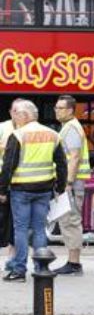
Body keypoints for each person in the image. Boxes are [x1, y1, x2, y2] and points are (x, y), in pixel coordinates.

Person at [0, 100, 67, 282]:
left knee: (20, 230)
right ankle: (41, 267)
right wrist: (60, 187)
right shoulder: (53, 135)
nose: (16, 118)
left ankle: (19, 270)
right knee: (39, 229)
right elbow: (61, 163)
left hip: (21, 189)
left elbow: (9, 165)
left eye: (18, 114)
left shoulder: (19, 135)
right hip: (44, 189)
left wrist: (2, 190)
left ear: (26, 115)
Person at [51, 95, 91, 276]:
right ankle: (72, 261)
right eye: (56, 107)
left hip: (72, 184)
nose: (56, 110)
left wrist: (67, 182)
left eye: (60, 108)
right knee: (67, 221)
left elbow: (74, 157)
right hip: (71, 183)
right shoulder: (68, 127)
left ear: (69, 110)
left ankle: (74, 264)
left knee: (71, 221)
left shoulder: (72, 129)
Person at [0, 99, 23, 270]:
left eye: (21, 110)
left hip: (20, 181)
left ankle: (12, 256)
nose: (18, 113)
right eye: (15, 110)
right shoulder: (3, 127)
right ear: (10, 112)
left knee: (14, 221)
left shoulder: (30, 129)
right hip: (2, 177)